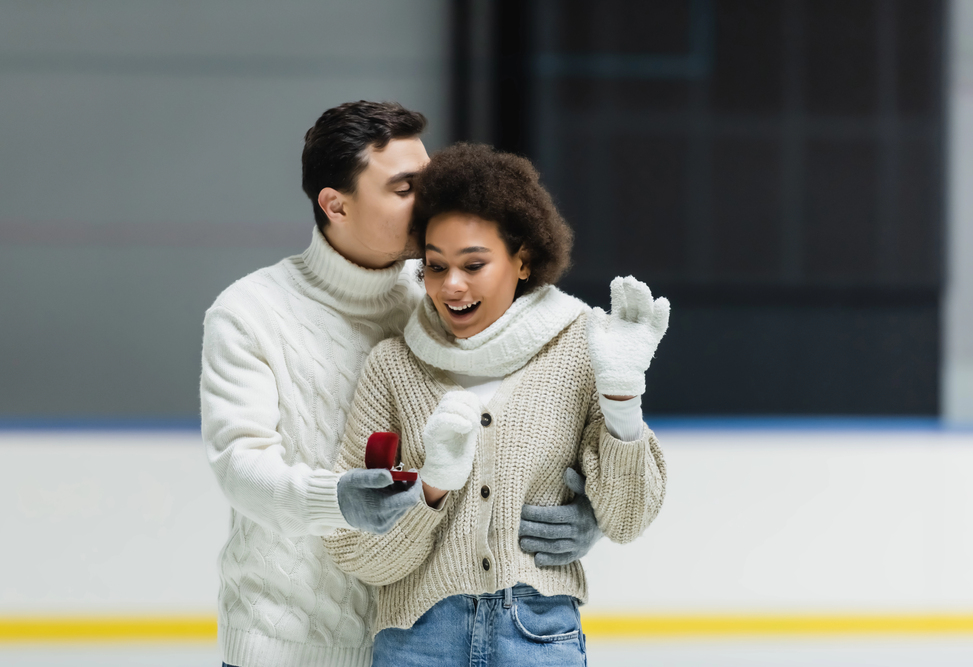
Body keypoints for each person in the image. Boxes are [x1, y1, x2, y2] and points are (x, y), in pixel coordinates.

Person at [200, 102, 603, 667]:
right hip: (288, 645)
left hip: (418, 644)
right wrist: (334, 499)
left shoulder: (446, 300)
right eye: (405, 187)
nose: (431, 201)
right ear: (335, 204)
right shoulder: (251, 312)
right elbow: (238, 466)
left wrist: (590, 517)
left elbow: (516, 439)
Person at [324, 143, 670, 666]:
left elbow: (627, 518)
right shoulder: (394, 366)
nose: (452, 285)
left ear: (523, 259)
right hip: (418, 640)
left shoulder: (583, 348)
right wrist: (432, 488)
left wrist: (622, 400)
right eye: (435, 266)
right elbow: (355, 549)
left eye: (474, 264)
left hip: (538, 636)